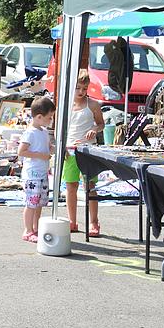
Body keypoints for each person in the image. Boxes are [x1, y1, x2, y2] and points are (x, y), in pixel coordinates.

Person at [63, 69, 105, 237]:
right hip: (70, 149)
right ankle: (72, 221)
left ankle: (94, 222)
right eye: (78, 88)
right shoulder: (65, 104)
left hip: (88, 150)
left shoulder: (92, 104)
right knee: (70, 186)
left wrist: (95, 129)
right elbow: (60, 128)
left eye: (84, 89)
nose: (81, 92)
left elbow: (101, 123)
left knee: (90, 186)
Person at [16, 96, 56, 243]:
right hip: (32, 174)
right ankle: (28, 230)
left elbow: (47, 147)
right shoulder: (30, 132)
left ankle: (35, 227)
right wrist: (39, 155)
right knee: (31, 203)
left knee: (39, 203)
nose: (51, 120)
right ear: (39, 117)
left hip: (42, 173)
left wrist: (55, 149)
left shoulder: (44, 131)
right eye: (49, 117)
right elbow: (21, 151)